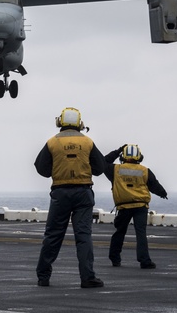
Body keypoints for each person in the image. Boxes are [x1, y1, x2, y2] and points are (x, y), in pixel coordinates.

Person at [34, 107, 106, 288]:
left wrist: (57, 171)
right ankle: (87, 277)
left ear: (60, 122)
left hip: (60, 193)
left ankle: (43, 276)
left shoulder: (52, 142)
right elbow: (100, 168)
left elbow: (41, 168)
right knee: (83, 235)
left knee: (53, 235)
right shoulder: (87, 142)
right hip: (83, 193)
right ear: (80, 124)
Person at [104, 144, 168, 269]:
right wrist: (162, 193)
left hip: (123, 206)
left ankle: (115, 259)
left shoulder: (115, 170)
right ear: (140, 157)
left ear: (123, 156)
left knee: (120, 232)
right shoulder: (144, 171)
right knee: (141, 233)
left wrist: (117, 151)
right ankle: (144, 261)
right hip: (140, 206)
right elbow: (154, 185)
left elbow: (103, 162)